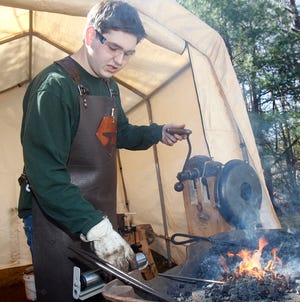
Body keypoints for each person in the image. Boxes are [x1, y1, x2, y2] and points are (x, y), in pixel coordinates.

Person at [18, 1, 187, 301]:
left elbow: (118, 132)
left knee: (98, 294)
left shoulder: (110, 87)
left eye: (129, 53)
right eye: (113, 48)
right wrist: (96, 229)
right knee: (63, 294)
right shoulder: (54, 88)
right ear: (90, 36)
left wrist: (156, 132)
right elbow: (46, 177)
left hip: (94, 213)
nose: (120, 60)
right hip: (54, 215)